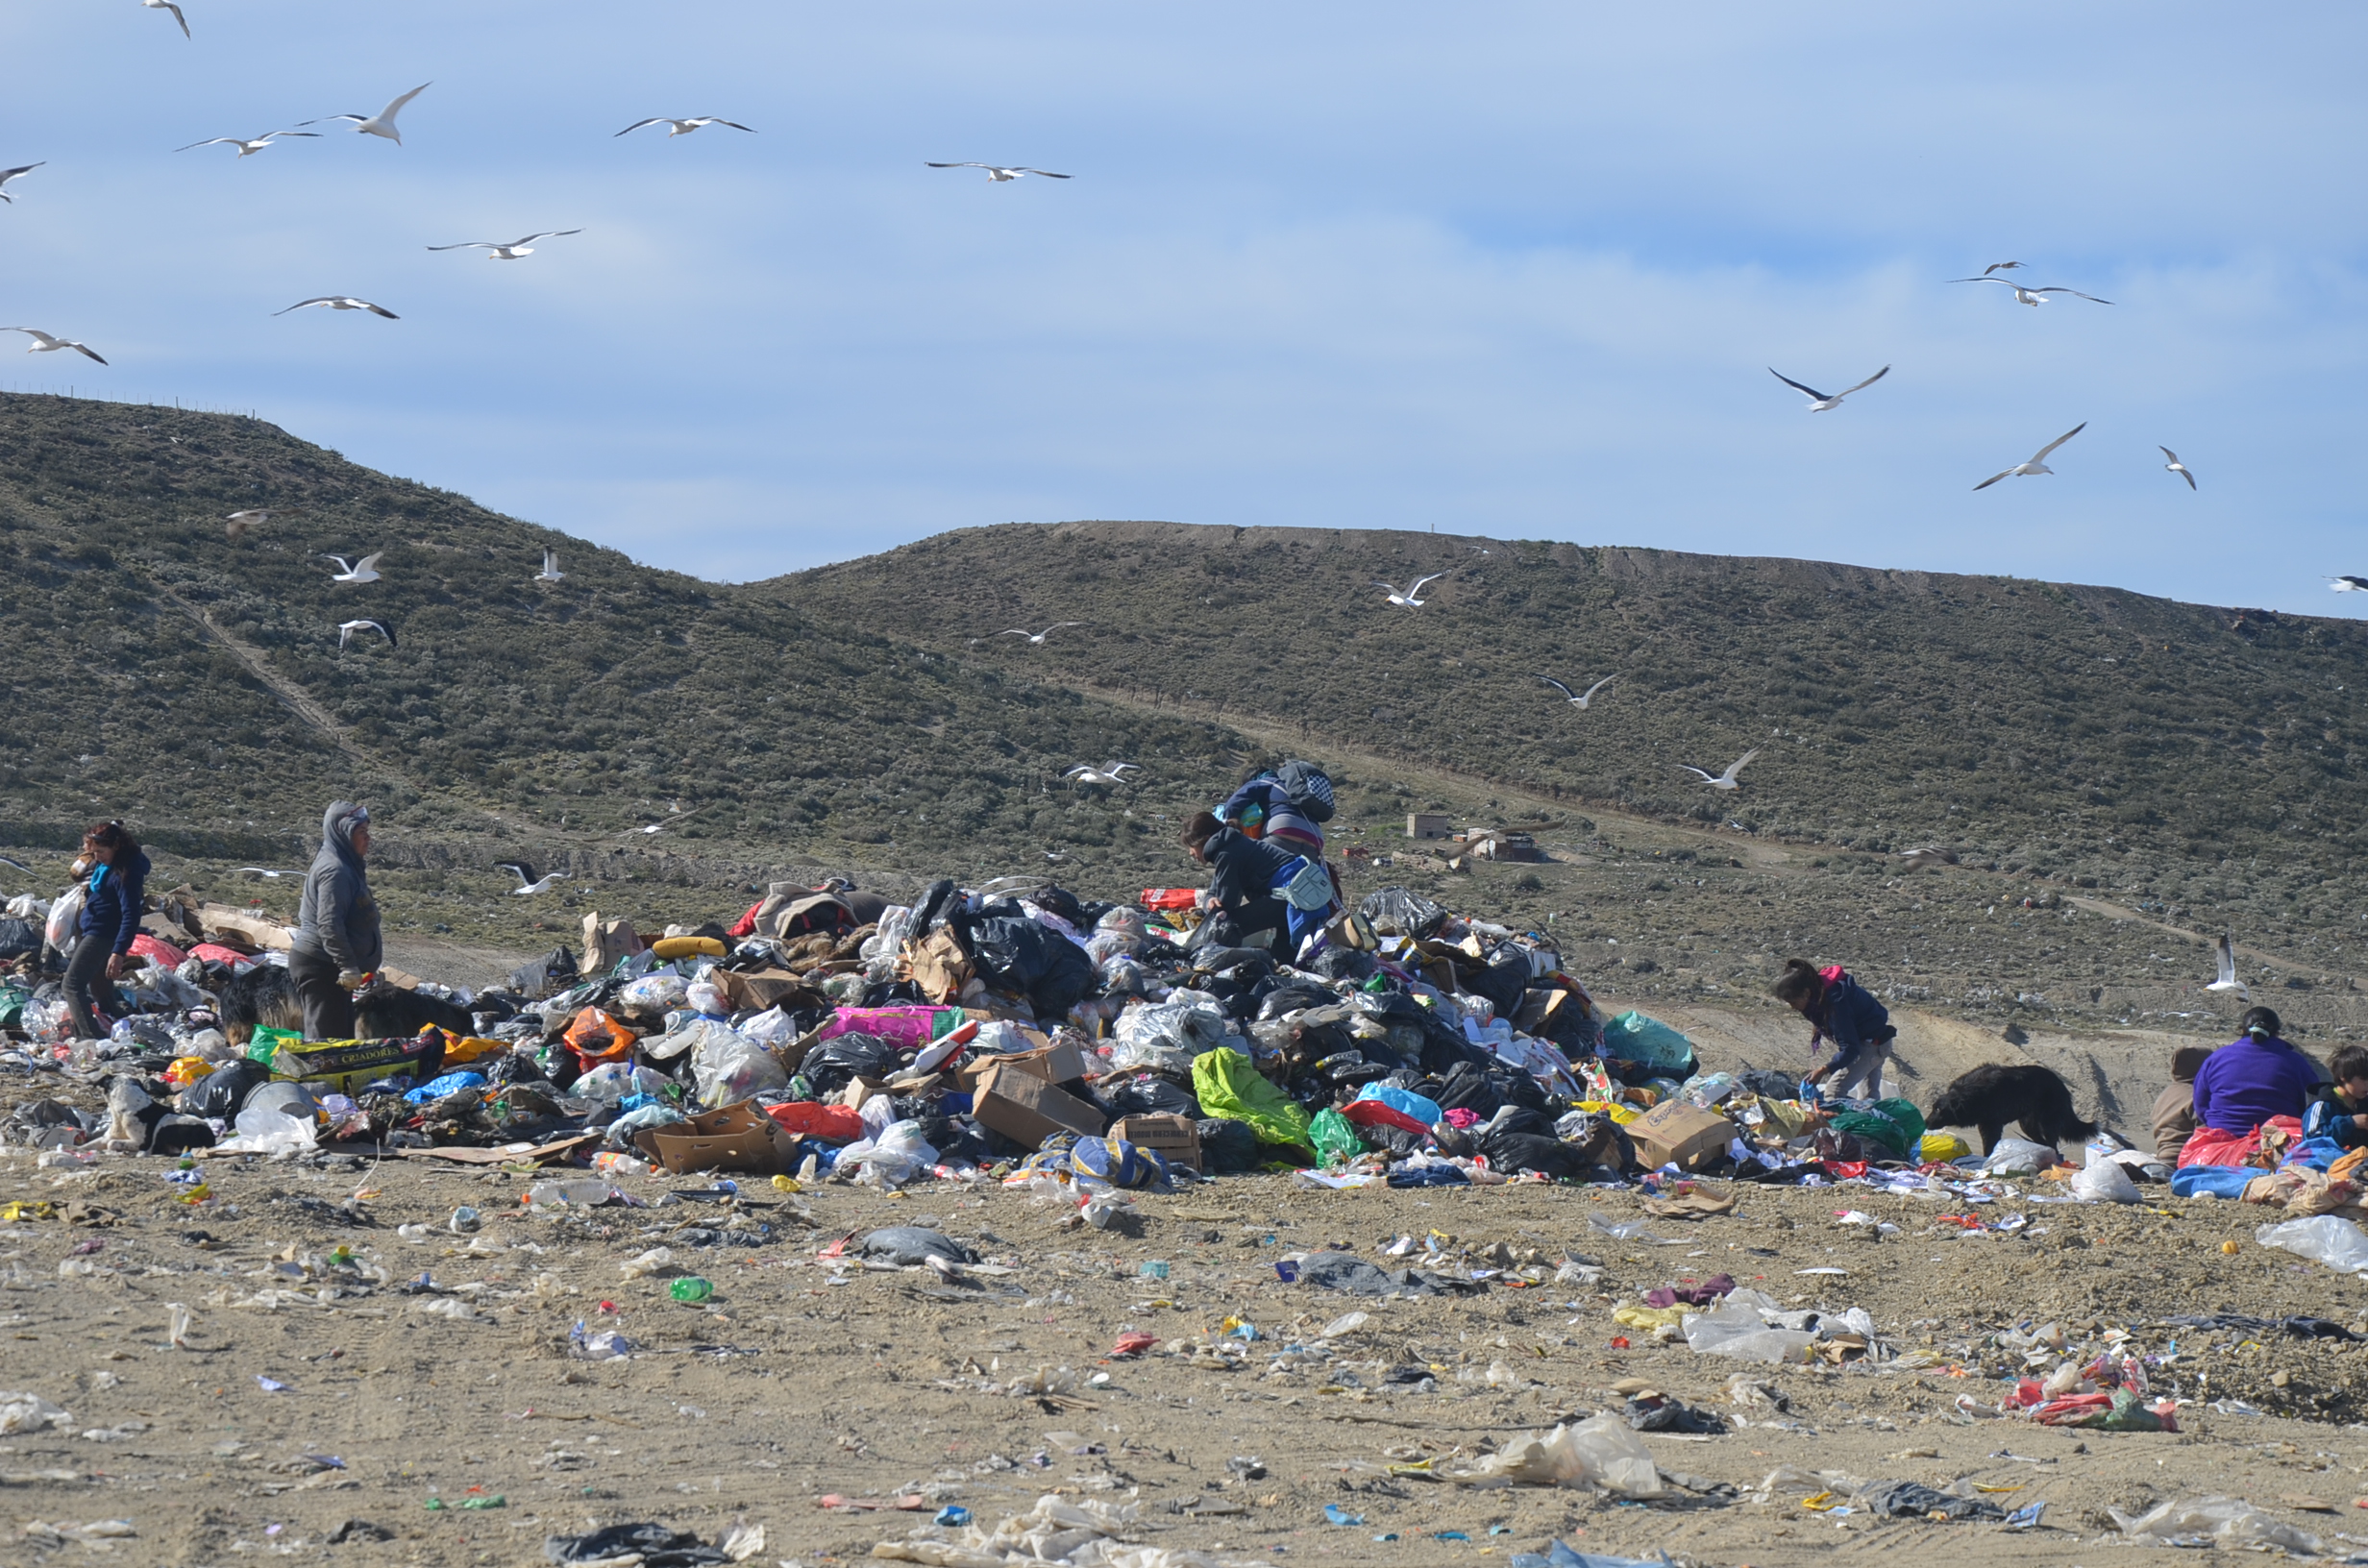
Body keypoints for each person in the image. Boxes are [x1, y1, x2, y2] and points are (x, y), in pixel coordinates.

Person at [289, 800, 382, 1040]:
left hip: (332, 968)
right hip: (322, 966)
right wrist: (348, 966)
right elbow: (329, 923)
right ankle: (319, 1078)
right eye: (362, 833)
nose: (368, 839)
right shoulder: (336, 870)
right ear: (344, 833)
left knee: (338, 1039)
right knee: (326, 1042)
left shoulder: (346, 864)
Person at [62, 821, 149, 1041]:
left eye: (102, 851)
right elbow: (81, 870)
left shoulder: (125, 873)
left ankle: (91, 1038)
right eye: (94, 851)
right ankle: (118, 1024)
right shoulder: (105, 866)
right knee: (99, 986)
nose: (97, 856)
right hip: (96, 929)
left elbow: (131, 915)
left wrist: (118, 952)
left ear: (116, 846)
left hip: (103, 934)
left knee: (72, 985)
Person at [1773, 957, 1897, 1099]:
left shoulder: (1835, 1003)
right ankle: (1872, 1120)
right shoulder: (1821, 993)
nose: (1792, 1007)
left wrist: (1823, 1070)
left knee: (1834, 1091)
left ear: (1807, 993)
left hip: (1872, 1045)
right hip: (1877, 1041)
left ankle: (1837, 1120)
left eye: (1794, 1002)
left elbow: (1851, 1048)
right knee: (1868, 1098)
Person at [2190, 1006, 2321, 1136]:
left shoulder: (2217, 1058)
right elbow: (2314, 1104)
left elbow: (2201, 1104)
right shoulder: (2295, 1062)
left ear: (2242, 1030)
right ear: (2277, 1032)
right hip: (2276, 1141)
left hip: (2222, 1138)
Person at [1180, 810, 1295, 950]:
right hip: (1298, 897)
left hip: (1292, 896)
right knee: (1282, 960)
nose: (1191, 853)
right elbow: (1214, 892)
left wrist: (1213, 907)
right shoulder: (1229, 846)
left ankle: (1217, 965)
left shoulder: (1227, 853)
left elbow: (1226, 905)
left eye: (1192, 846)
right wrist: (1209, 901)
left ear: (1206, 840)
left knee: (1228, 927)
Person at [2151, 1044, 2211, 1163]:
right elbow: (2208, 1135)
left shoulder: (2167, 1093)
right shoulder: (2198, 1096)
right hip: (2186, 1161)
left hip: (2164, 1157)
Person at [2302, 1042, 2368, 1150]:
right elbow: (2311, 1140)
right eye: (2363, 1078)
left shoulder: (2363, 1103)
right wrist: (2350, 1123)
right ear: (2344, 1076)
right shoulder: (2323, 1104)